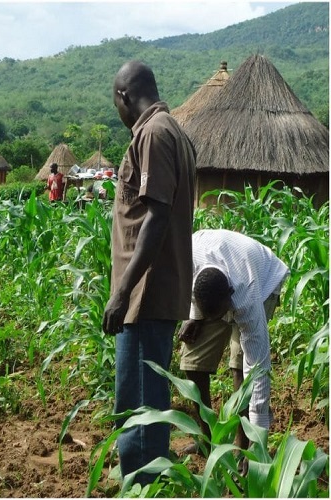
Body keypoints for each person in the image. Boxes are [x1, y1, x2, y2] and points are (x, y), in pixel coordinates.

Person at [101, 60, 196, 485]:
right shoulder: (172, 131)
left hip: (144, 295)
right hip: (151, 294)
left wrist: (123, 291)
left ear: (123, 96)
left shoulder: (155, 134)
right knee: (148, 400)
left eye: (115, 103)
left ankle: (141, 488)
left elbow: (156, 218)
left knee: (138, 408)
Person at [178, 229, 289, 457]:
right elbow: (192, 291)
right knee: (193, 362)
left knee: (241, 369)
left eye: (223, 313)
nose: (223, 319)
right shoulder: (186, 261)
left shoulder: (247, 296)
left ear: (230, 296)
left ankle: (243, 446)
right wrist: (195, 316)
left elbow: (258, 371)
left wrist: (259, 443)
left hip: (263, 280)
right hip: (212, 283)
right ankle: (208, 442)